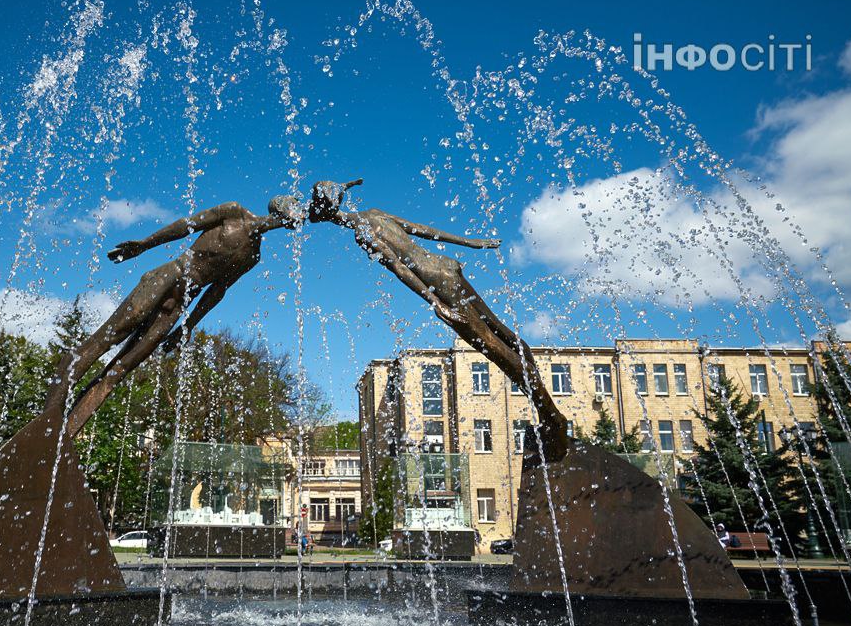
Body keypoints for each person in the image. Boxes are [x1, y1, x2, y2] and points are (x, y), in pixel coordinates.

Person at [308, 178, 569, 462]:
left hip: (440, 286)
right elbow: (423, 230)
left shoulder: (361, 232)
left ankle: (553, 420)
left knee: (497, 350)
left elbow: (399, 268)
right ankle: (548, 415)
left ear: (327, 215)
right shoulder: (373, 213)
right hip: (447, 268)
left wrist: (436, 303)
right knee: (507, 336)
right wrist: (469, 242)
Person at [48, 194, 304, 434]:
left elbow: (217, 290)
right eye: (295, 207)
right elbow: (185, 225)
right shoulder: (233, 212)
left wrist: (188, 325)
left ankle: (62, 437)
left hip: (180, 304)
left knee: (122, 368)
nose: (300, 213)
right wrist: (145, 244)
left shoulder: (252, 256)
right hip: (169, 277)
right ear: (280, 207)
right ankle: (48, 418)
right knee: (106, 339)